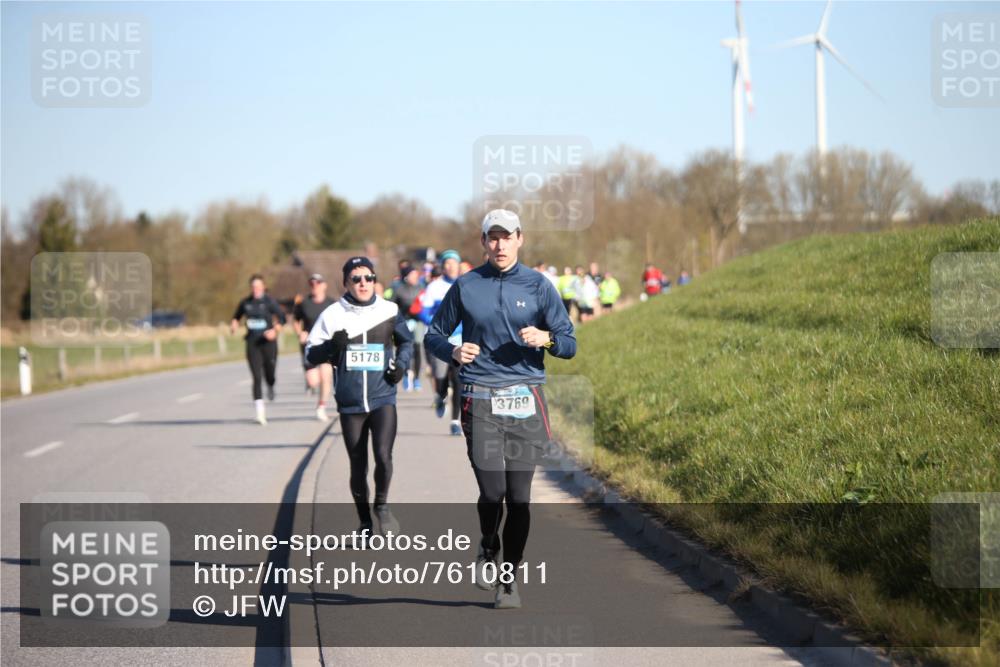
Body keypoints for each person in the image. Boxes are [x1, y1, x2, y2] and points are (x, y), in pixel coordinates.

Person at [426, 209, 576, 609]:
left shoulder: (539, 285)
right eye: (492, 237)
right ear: (483, 242)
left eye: (506, 237)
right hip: (480, 395)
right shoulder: (467, 285)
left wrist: (546, 338)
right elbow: (433, 335)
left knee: (520, 497)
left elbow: (569, 343)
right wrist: (454, 350)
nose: (499, 244)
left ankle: (508, 580)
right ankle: (487, 546)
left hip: (527, 399)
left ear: (519, 239)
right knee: (492, 493)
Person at [305, 257, 413, 536]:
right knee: (358, 464)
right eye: (356, 278)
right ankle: (364, 523)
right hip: (351, 402)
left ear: (374, 280)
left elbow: (406, 342)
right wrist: (331, 347)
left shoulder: (389, 310)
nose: (363, 283)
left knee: (383, 455)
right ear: (346, 283)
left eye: (368, 277)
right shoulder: (332, 314)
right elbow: (310, 353)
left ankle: (382, 507)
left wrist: (401, 366)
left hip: (383, 397)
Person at [418, 249, 464, 435]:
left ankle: (455, 421)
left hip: (462, 341)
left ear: (458, 265)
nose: (450, 266)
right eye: (447, 263)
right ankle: (440, 396)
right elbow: (423, 312)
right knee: (441, 377)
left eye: (453, 263)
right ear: (443, 267)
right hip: (441, 340)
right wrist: (437, 324)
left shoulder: (467, 284)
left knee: (459, 380)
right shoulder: (434, 287)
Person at [230, 274, 286, 425]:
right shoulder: (245, 303)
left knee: (270, 373)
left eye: (258, 286)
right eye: (253, 286)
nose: (255, 289)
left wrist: (275, 330)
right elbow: (236, 316)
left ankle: (271, 385)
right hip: (252, 343)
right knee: (256, 376)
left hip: (268, 343)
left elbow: (282, 318)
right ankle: (260, 413)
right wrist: (234, 324)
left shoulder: (269, 302)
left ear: (263, 287)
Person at [292, 273, 336, 421]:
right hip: (309, 346)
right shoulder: (304, 303)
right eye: (312, 284)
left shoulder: (331, 304)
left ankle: (321, 407)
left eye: (317, 283)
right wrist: (300, 333)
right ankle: (310, 385)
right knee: (313, 381)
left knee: (326, 376)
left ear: (324, 285)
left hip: (326, 345)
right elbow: (296, 320)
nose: (314, 286)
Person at [389, 265, 424, 392]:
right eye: (412, 275)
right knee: (405, 347)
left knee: (418, 348)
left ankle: (417, 379)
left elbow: (425, 305)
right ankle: (405, 374)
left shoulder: (421, 288)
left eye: (416, 275)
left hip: (418, 322)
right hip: (404, 322)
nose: (415, 277)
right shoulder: (398, 289)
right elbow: (392, 304)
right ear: (406, 277)